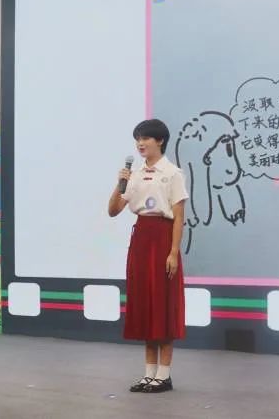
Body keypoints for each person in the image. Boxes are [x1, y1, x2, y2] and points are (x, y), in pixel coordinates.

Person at [107, 119, 189, 394]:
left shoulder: (173, 173)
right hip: (141, 238)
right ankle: (149, 374)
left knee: (163, 304)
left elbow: (179, 217)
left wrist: (173, 252)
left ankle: (164, 375)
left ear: (160, 141)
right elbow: (113, 210)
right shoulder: (135, 174)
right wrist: (120, 184)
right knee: (145, 303)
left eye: (145, 138)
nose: (140, 144)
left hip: (163, 238)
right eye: (138, 139)